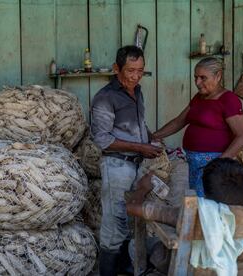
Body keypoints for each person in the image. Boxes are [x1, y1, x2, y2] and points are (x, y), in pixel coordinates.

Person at [90, 45, 162, 276]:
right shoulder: (105, 97)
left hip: (137, 165)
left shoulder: (137, 91)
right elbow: (103, 139)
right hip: (117, 166)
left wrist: (152, 140)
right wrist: (142, 146)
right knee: (114, 223)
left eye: (140, 70)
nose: (135, 76)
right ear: (116, 68)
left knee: (132, 222)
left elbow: (138, 126)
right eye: (130, 70)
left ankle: (126, 269)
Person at [126, 158, 243, 274]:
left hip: (189, 269)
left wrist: (142, 188)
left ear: (204, 190)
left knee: (155, 245)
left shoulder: (197, 213)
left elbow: (131, 208)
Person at [152, 57, 243, 196]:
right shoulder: (199, 97)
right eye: (195, 77)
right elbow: (179, 121)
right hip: (193, 163)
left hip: (214, 164)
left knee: (208, 202)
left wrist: (220, 162)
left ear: (218, 76)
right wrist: (154, 136)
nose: (197, 83)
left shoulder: (229, 100)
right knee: (198, 200)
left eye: (203, 78)